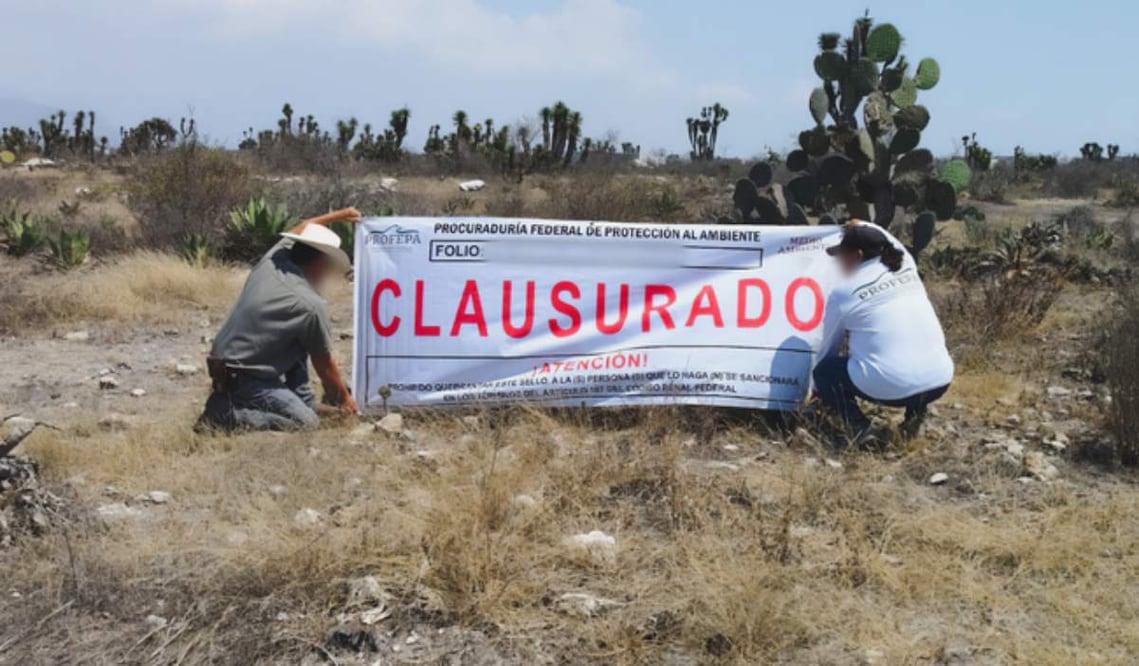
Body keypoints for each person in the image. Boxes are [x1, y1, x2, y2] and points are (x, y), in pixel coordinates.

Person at [197, 207, 362, 432]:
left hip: (223, 363)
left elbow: (304, 227)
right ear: (320, 265)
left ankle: (300, 400)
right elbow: (324, 364)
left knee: (299, 336)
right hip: (245, 377)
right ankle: (225, 414)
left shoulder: (273, 259)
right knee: (305, 423)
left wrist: (338, 215)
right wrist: (344, 399)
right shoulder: (309, 304)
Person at [812, 221, 953, 446]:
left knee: (825, 371)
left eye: (843, 256)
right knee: (910, 351)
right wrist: (862, 223)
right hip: (939, 381)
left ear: (857, 256)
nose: (839, 263)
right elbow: (890, 239)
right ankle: (915, 418)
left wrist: (818, 389)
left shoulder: (844, 293)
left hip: (891, 387)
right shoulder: (907, 266)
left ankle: (859, 427)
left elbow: (829, 349)